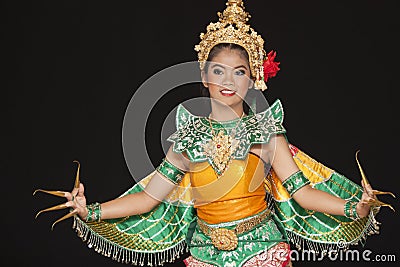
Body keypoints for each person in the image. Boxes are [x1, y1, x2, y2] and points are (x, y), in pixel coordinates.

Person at [34, 1, 394, 266]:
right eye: (218, 72)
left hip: (262, 253)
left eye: (238, 72)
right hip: (205, 255)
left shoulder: (265, 132)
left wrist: (355, 206)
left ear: (254, 78)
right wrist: (91, 211)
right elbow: (147, 199)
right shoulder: (188, 138)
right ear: (204, 77)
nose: (227, 81)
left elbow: (305, 196)